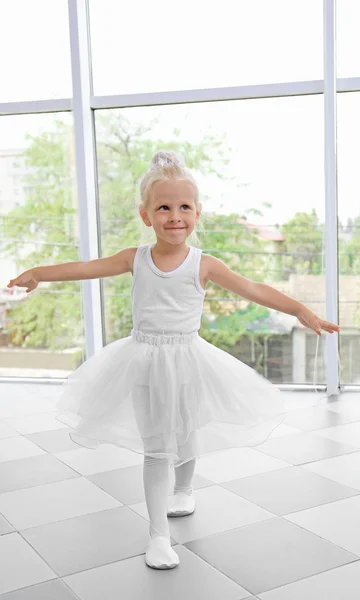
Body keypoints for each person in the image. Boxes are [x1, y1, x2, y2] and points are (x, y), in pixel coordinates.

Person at [7, 150, 340, 571]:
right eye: (163, 207)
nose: (175, 216)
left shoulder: (205, 264)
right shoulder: (135, 258)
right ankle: (157, 535)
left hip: (188, 358)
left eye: (184, 207)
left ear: (198, 213)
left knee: (186, 426)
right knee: (156, 447)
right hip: (143, 359)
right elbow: (87, 267)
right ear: (146, 215)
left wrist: (300, 311)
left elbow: (253, 288)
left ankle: (184, 489)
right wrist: (40, 271)